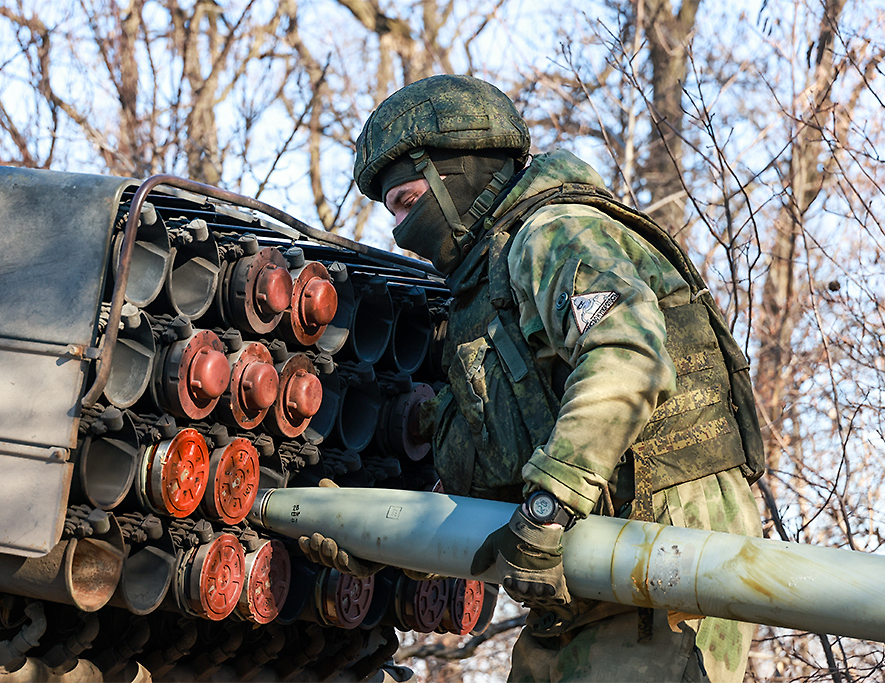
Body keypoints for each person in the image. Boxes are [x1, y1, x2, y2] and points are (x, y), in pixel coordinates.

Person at [301, 75, 765, 683]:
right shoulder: (486, 289)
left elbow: (626, 351)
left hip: (664, 546)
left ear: (456, 174)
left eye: (409, 202)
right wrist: (377, 538)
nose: (402, 230)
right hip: (581, 559)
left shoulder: (553, 233)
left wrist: (548, 506)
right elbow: (492, 468)